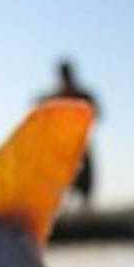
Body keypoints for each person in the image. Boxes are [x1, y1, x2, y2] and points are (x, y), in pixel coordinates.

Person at [38, 61, 97, 204]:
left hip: (79, 145)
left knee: (84, 185)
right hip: (60, 148)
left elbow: (96, 114)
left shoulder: (82, 96)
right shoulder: (52, 98)